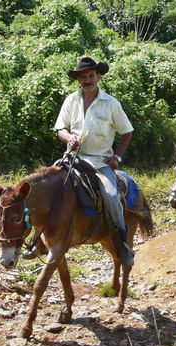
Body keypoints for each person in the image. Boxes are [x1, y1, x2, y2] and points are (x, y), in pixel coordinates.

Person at [55, 56, 135, 266]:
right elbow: (61, 128)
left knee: (111, 195)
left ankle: (122, 244)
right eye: (83, 77)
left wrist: (117, 157)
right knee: (46, 187)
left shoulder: (111, 103)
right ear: (78, 80)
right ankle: (41, 239)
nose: (87, 80)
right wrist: (68, 137)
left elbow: (127, 132)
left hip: (100, 162)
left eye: (91, 75)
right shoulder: (71, 100)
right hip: (72, 159)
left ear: (98, 77)